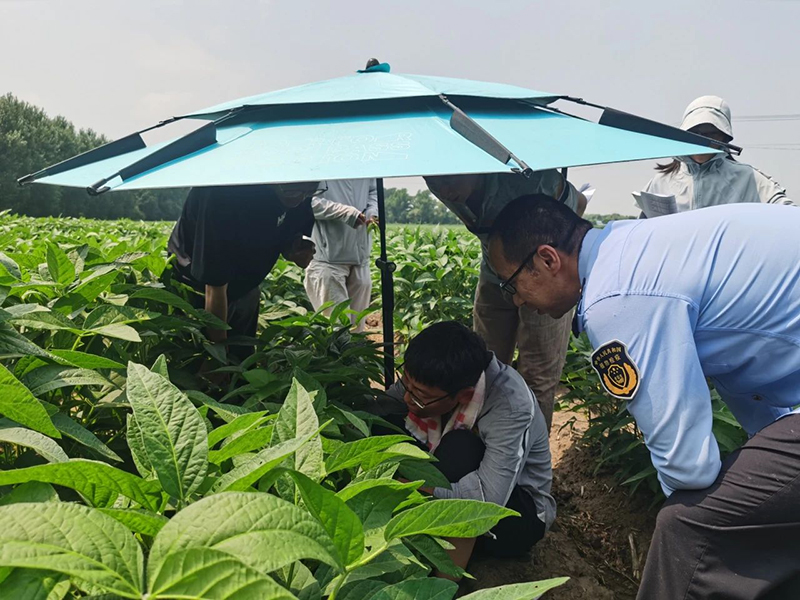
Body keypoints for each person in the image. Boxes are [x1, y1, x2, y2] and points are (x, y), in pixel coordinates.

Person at [487, 194, 800, 599]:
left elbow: (688, 468)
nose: (516, 300)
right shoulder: (629, 246)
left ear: (547, 259)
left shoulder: (613, 298)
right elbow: (741, 366)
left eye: (511, 283)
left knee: (687, 528)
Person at [370, 321, 555, 572]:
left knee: (460, 448)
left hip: (512, 519)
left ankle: (446, 578)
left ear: (465, 395)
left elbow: (487, 501)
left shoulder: (511, 407)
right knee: (383, 423)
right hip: (451, 488)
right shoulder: (435, 377)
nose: (406, 397)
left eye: (420, 396)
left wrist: (405, 487)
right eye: (407, 385)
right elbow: (385, 407)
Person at [425, 171, 587, 431]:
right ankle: (487, 441)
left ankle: (530, 452)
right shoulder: (447, 188)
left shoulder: (527, 180)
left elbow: (578, 202)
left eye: (448, 180)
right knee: (484, 366)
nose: (443, 190)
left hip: (539, 278)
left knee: (538, 373)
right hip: (495, 275)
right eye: (432, 181)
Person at [167, 182, 320, 361]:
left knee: (241, 359)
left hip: (246, 282)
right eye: (293, 191)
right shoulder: (220, 196)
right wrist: (218, 356)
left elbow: (287, 229)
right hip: (196, 284)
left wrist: (294, 249)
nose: (301, 198)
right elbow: (214, 286)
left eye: (309, 192)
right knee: (200, 360)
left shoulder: (301, 184)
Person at [642, 95, 793, 211]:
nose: (701, 140)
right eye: (694, 133)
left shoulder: (748, 178)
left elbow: (789, 214)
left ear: (724, 137)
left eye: (711, 134)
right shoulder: (660, 182)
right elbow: (643, 229)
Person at [304, 179, 377, 332]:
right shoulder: (316, 167)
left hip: (361, 259)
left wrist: (373, 211)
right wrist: (344, 212)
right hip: (328, 260)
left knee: (357, 330)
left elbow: (373, 191)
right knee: (337, 331)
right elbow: (305, 202)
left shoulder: (366, 166)